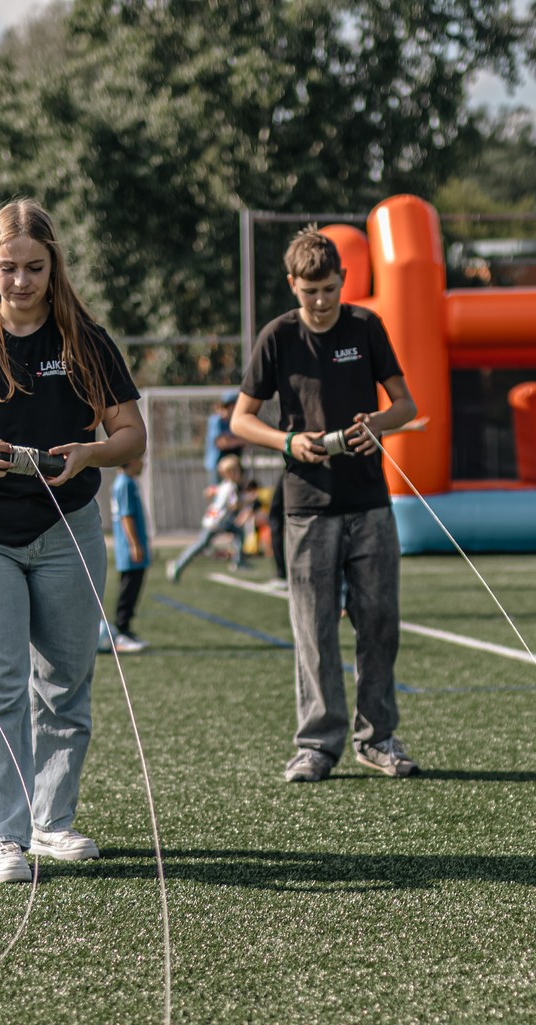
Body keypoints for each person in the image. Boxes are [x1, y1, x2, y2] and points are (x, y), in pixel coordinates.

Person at [0, 199, 146, 884]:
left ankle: (51, 821)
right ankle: (1, 838)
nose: (20, 281)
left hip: (68, 529)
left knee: (66, 684)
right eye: (8, 267)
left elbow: (132, 437)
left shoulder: (85, 341)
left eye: (34, 268)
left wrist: (90, 453)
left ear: (53, 266)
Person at [229, 225, 421, 782]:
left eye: (330, 289)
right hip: (307, 506)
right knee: (314, 630)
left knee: (379, 623)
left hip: (370, 502)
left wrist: (377, 423)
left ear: (344, 280)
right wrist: (288, 442)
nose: (320, 301)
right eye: (310, 291)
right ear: (292, 284)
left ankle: (377, 738)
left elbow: (406, 405)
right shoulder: (278, 336)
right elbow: (242, 419)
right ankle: (316, 744)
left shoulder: (366, 326)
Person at [167, 451, 249, 581]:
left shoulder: (223, 485)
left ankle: (238, 561)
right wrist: (246, 502)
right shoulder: (232, 487)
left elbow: (210, 495)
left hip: (214, 520)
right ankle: (178, 564)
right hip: (218, 522)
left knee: (238, 533)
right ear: (230, 473)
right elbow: (234, 505)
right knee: (200, 545)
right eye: (236, 471)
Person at [102, 452, 149, 653]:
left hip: (131, 547)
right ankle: (122, 632)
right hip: (128, 548)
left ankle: (126, 629)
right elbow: (126, 517)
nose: (143, 463)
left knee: (133, 588)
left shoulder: (128, 482)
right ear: (131, 460)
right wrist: (134, 544)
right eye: (140, 459)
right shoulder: (125, 484)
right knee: (128, 589)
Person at [203, 389, 242, 475]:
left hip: (234, 464)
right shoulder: (217, 420)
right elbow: (222, 443)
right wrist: (238, 441)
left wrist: (233, 441)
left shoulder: (234, 421)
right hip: (218, 464)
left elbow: (246, 441)